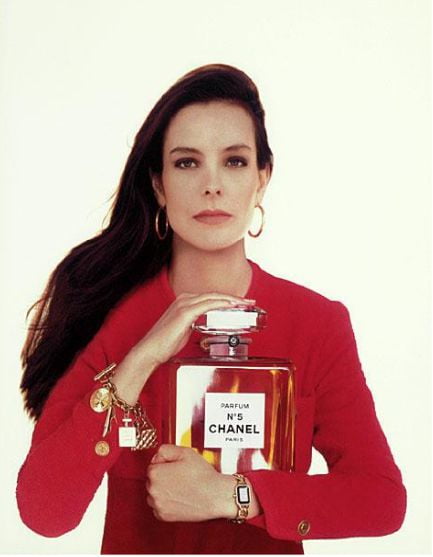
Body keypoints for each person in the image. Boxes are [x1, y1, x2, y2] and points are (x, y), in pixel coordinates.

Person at [16, 63, 406, 554]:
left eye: (235, 161)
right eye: (187, 163)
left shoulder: (316, 323)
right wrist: (140, 359)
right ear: (158, 185)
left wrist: (232, 495)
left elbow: (382, 501)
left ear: (262, 179)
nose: (212, 185)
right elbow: (44, 512)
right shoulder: (119, 319)